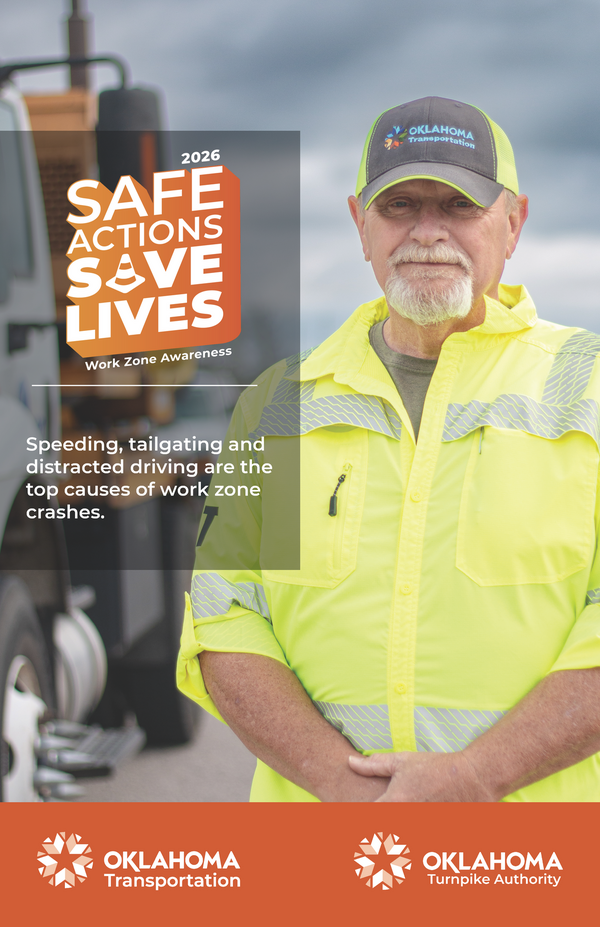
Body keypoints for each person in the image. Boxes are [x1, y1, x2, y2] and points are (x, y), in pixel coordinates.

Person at [177, 96, 600, 802]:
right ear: (360, 225)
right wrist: (344, 787)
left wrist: (475, 778)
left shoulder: (590, 387)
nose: (427, 232)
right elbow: (226, 617)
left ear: (513, 222)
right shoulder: (279, 404)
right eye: (400, 205)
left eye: (459, 206)